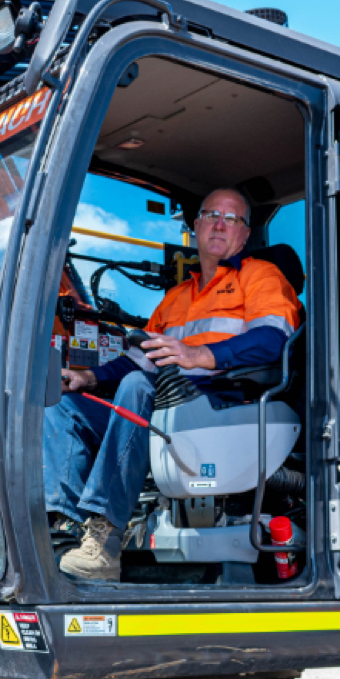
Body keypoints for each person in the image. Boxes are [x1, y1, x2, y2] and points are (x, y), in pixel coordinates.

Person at [44, 188, 301, 580]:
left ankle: (105, 542)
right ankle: (64, 530)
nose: (219, 224)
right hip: (163, 406)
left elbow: (273, 338)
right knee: (63, 404)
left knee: (137, 388)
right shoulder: (176, 296)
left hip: (224, 405)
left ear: (245, 235)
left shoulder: (262, 277)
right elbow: (141, 355)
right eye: (211, 214)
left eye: (231, 218)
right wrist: (87, 378)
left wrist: (200, 356)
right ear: (195, 226)